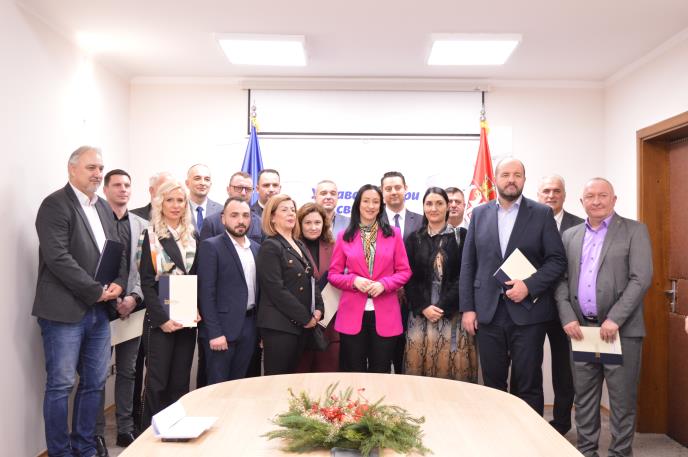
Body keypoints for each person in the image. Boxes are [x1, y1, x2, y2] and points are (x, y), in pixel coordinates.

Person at [33, 146, 127, 457]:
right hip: (63, 312)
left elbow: (117, 250)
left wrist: (118, 282)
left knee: (95, 383)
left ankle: (85, 447)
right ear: (72, 169)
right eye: (91, 168)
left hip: (99, 312)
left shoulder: (102, 207)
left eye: (100, 168)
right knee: (61, 385)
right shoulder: (54, 204)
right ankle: (60, 452)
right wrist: (94, 290)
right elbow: (58, 257)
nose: (98, 174)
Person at [459, 157, 567, 415]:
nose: (511, 180)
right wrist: (468, 309)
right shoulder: (479, 214)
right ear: (495, 179)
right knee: (493, 384)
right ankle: (496, 433)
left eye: (517, 175)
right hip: (488, 313)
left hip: (529, 314)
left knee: (529, 383)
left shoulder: (541, 213)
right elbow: (469, 264)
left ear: (524, 180)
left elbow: (557, 260)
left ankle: (530, 436)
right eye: (505, 175)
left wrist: (529, 286)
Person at [555, 178, 653, 457]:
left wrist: (615, 319)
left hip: (620, 332)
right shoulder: (570, 235)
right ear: (581, 201)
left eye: (602, 195)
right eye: (590, 196)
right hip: (582, 331)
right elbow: (560, 280)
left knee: (622, 401)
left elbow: (641, 278)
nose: (596, 201)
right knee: (584, 399)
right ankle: (586, 452)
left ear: (614, 199)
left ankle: (620, 453)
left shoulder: (635, 231)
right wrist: (567, 316)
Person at [329, 184, 411, 373]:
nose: (371, 206)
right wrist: (353, 281)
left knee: (380, 371)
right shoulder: (344, 236)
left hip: (385, 313)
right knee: (354, 371)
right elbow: (333, 275)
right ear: (358, 204)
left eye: (375, 202)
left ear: (381, 206)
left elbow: (405, 271)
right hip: (352, 314)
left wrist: (384, 284)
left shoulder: (393, 234)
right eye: (366, 201)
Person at [138, 180, 200, 428]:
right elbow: (146, 283)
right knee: (157, 382)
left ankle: (176, 431)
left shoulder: (192, 236)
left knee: (180, 381)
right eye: (170, 200)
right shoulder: (151, 235)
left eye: (180, 200)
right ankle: (149, 434)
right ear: (160, 203)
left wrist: (196, 307)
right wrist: (162, 319)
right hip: (160, 318)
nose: (175, 205)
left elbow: (197, 276)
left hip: (186, 315)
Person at [95, 169, 147, 453]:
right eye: (117, 184)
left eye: (127, 184)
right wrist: (109, 297)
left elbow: (145, 267)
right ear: (106, 189)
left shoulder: (142, 225)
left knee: (128, 371)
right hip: (101, 307)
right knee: (98, 373)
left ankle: (125, 428)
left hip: (132, 309)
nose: (123, 189)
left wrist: (134, 297)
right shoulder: (96, 220)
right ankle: (97, 433)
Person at [404, 187, 478, 381]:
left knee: (450, 369)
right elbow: (408, 277)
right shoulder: (413, 238)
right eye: (429, 204)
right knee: (418, 373)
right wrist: (424, 307)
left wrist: (442, 306)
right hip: (421, 314)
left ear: (447, 207)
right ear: (423, 207)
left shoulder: (462, 236)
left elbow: (465, 276)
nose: (434, 208)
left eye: (439, 203)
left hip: (451, 314)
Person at [537, 174, 584, 435]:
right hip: (532, 307)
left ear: (564, 195)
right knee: (527, 366)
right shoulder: (527, 223)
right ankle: (529, 420)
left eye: (556, 191)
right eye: (546, 191)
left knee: (565, 370)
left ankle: (562, 423)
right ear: (538, 195)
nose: (551, 195)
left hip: (567, 310)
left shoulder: (580, 225)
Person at [256, 194, 324, 374]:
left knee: (291, 380)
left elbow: (311, 279)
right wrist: (306, 318)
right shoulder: (270, 246)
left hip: (298, 326)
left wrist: (319, 308)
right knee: (277, 380)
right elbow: (276, 290)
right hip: (279, 327)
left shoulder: (298, 244)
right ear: (272, 217)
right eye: (284, 210)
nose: (291, 214)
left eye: (293, 210)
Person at [198, 197, 260, 383]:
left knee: (239, 384)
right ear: (223, 219)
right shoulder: (211, 246)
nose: (241, 220)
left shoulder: (257, 248)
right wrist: (214, 332)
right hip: (222, 329)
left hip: (249, 327)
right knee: (217, 387)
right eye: (234, 215)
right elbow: (206, 294)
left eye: (245, 215)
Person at [380, 171, 422, 374]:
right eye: (388, 189)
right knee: (382, 355)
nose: (393, 192)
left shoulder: (421, 220)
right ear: (382, 192)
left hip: (414, 299)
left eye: (397, 187)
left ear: (406, 189)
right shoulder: (373, 221)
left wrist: (407, 287)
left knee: (407, 355)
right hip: (383, 295)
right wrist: (392, 285)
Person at [294, 203, 339, 372]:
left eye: (317, 222)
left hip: (330, 325)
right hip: (301, 323)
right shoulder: (291, 247)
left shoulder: (334, 247)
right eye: (308, 222)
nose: (313, 227)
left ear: (324, 224)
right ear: (299, 224)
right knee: (300, 378)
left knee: (329, 378)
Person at [200, 171, 263, 244]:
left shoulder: (259, 222)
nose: (243, 193)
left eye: (248, 189)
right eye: (239, 188)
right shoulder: (211, 222)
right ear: (228, 189)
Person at [185, 164, 222, 233]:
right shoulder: (179, 209)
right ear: (187, 183)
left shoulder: (221, 211)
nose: (202, 183)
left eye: (207, 179)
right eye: (197, 178)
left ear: (210, 184)